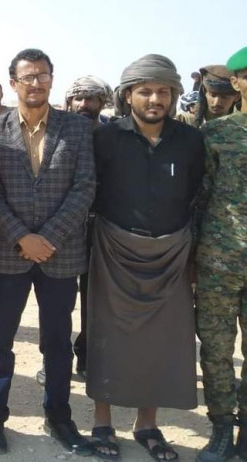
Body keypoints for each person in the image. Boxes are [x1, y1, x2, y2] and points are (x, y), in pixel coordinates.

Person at [87, 54, 204, 461]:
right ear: (127, 95)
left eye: (163, 91)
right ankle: (102, 422)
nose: (155, 99)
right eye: (146, 91)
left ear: (173, 95)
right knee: (107, 337)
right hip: (113, 250)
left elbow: (195, 195)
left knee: (159, 341)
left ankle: (147, 425)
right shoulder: (105, 138)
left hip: (171, 254)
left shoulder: (190, 140)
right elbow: (92, 192)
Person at [0, 48, 95, 456]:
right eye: (28, 77)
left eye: (43, 75)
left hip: (59, 254)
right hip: (8, 252)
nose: (36, 83)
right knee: (1, 338)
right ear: (13, 83)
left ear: (52, 79)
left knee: (58, 341)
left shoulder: (77, 129)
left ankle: (59, 417)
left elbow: (85, 187)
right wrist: (21, 237)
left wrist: (48, 237)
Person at [36, 75, 113, 386]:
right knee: (56, 302)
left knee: (96, 299)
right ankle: (52, 359)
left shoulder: (112, 136)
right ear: (68, 102)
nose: (84, 104)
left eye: (91, 98)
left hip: (101, 227)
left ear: (102, 102)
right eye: (78, 98)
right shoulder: (57, 132)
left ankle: (88, 356)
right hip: (63, 228)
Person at [195, 46, 247, 462]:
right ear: (236, 82)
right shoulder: (216, 134)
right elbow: (200, 198)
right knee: (215, 349)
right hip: (219, 261)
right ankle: (220, 429)